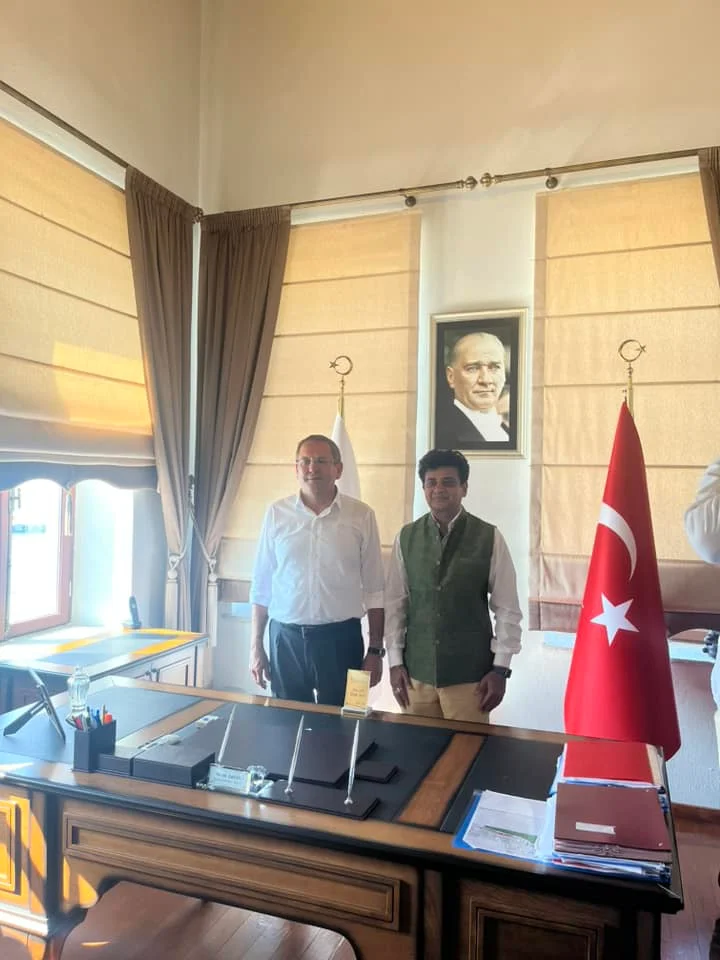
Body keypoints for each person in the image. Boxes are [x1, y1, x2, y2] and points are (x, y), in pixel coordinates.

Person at [384, 448, 522, 722]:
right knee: (416, 747)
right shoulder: (406, 537)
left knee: (467, 748)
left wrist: (500, 669)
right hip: (416, 678)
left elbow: (507, 608)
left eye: (448, 482)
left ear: (464, 488)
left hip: (471, 680)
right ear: (424, 488)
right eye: (431, 483)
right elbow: (395, 605)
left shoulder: (489, 537)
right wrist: (395, 662)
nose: (438, 489)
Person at [249, 434, 385, 707]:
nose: (313, 468)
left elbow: (375, 590)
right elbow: (261, 586)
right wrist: (256, 646)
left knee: (349, 718)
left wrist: (375, 651)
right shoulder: (276, 513)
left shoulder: (362, 515)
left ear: (338, 469)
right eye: (306, 461)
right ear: (296, 468)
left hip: (343, 641)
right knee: (287, 723)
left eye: (322, 461)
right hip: (285, 641)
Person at [435, 332, 510, 447]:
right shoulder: (441, 434)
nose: (485, 380)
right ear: (451, 377)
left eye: (494, 367)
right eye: (472, 368)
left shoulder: (509, 431)